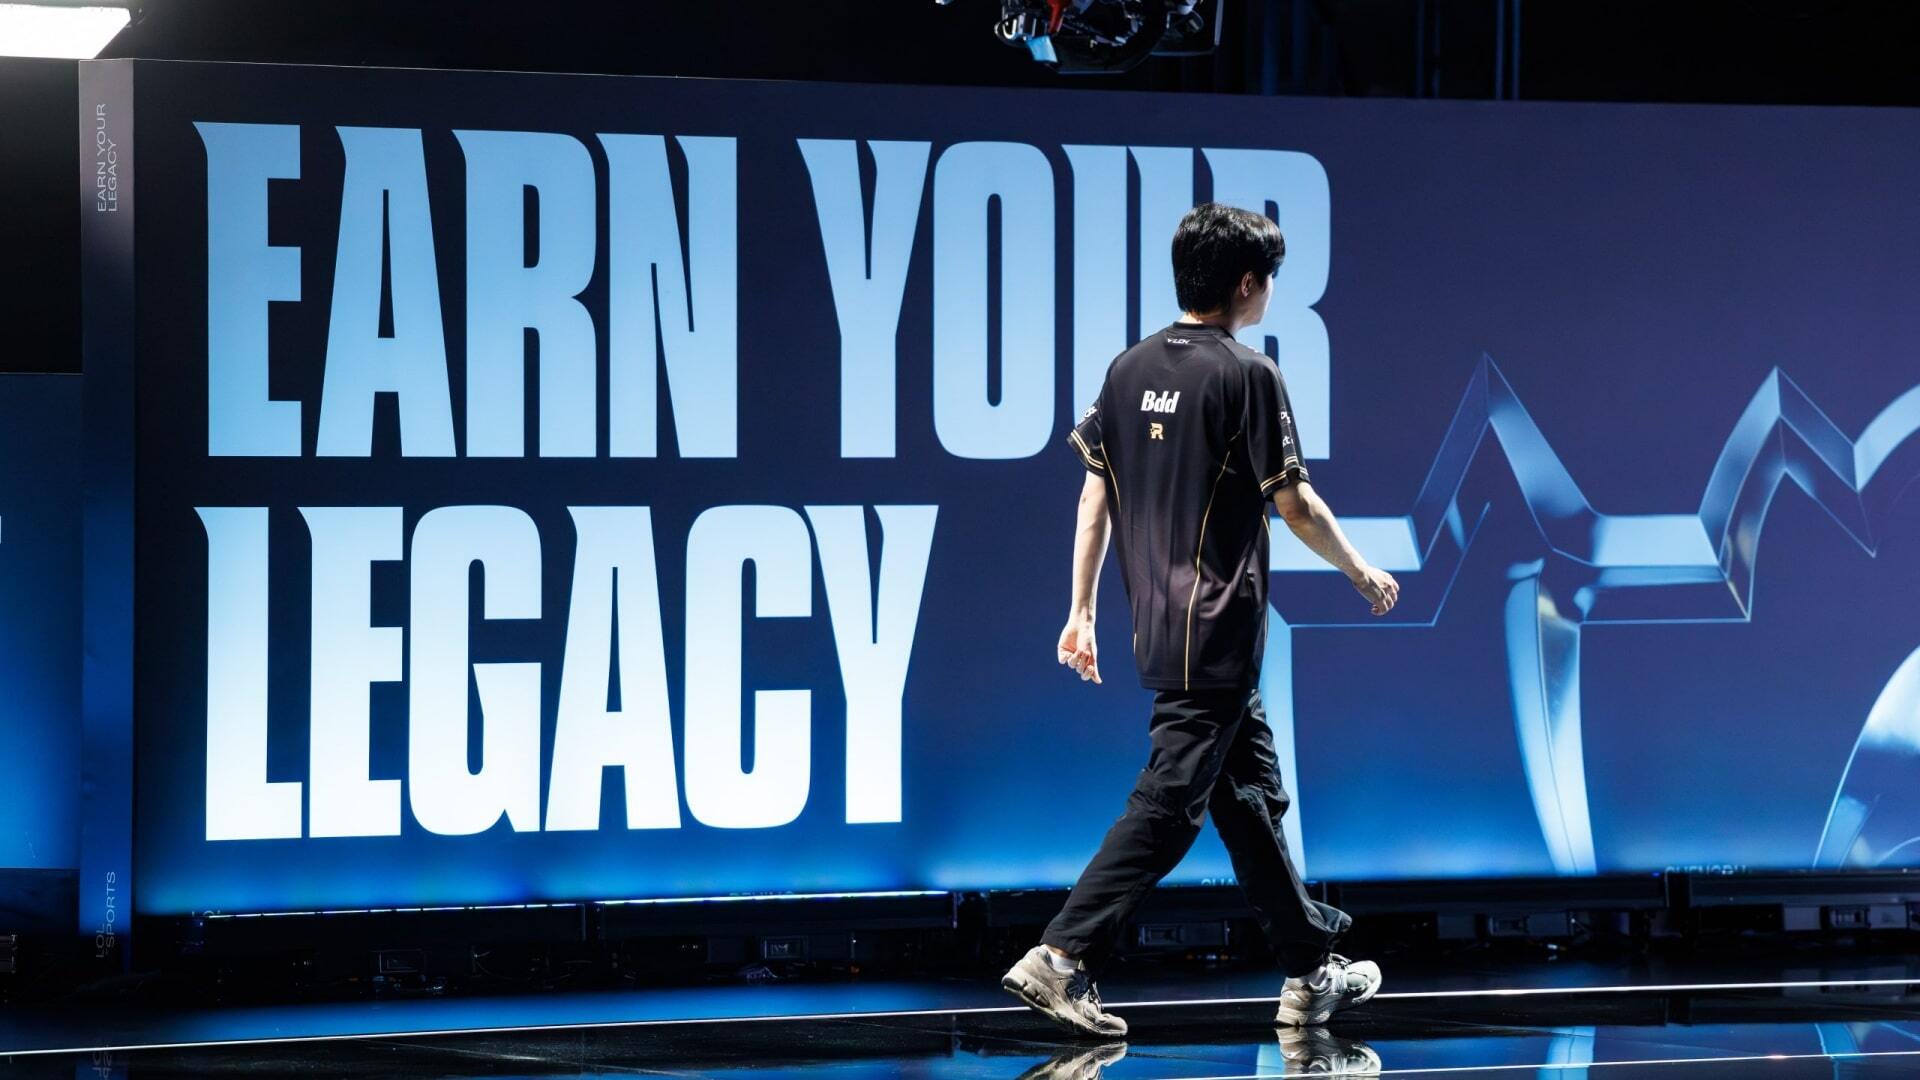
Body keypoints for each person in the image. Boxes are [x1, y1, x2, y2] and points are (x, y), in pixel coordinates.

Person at [1000, 202, 1401, 1039]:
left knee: (1249, 795)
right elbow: (1290, 502)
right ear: (1247, 284)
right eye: (1270, 281)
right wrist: (1360, 568)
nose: (1269, 295)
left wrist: (1080, 611)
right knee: (1170, 802)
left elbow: (1094, 493)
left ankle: (1306, 971)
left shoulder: (1127, 367)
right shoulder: (1246, 373)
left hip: (1160, 625)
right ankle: (1061, 957)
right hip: (1218, 626)